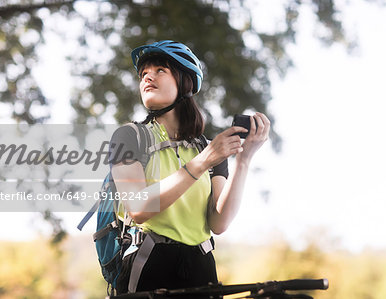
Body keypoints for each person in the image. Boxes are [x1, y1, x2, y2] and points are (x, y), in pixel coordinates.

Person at [109, 40, 270, 296]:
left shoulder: (207, 148)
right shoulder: (129, 136)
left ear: (185, 82)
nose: (147, 77)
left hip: (201, 265)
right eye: (143, 74)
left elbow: (218, 222)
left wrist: (244, 159)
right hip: (149, 261)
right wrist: (202, 162)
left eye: (160, 70)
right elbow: (139, 208)